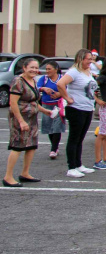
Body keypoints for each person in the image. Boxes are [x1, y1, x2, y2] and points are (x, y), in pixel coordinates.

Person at [4, 57, 51, 187]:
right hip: (20, 117)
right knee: (17, 145)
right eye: (32, 67)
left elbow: (34, 101)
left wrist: (45, 111)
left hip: (32, 118)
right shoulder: (18, 81)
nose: (34, 70)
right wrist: (21, 121)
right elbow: (13, 103)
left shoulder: (33, 81)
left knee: (31, 145)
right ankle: (8, 177)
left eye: (36, 68)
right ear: (24, 68)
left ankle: (25, 173)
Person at [57, 49, 99, 179]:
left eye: (92, 59)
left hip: (87, 108)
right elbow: (60, 84)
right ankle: (71, 167)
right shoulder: (73, 72)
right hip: (76, 109)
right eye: (88, 59)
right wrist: (67, 98)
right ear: (81, 59)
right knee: (74, 138)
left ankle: (79, 164)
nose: (91, 62)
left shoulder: (87, 72)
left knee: (80, 138)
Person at [37, 60, 66, 160]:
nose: (47, 71)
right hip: (46, 106)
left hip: (58, 106)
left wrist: (59, 94)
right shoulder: (44, 79)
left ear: (56, 69)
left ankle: (53, 149)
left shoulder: (62, 78)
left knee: (57, 127)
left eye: (49, 69)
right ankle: (55, 146)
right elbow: (37, 87)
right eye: (46, 69)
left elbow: (68, 89)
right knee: (49, 127)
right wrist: (44, 89)